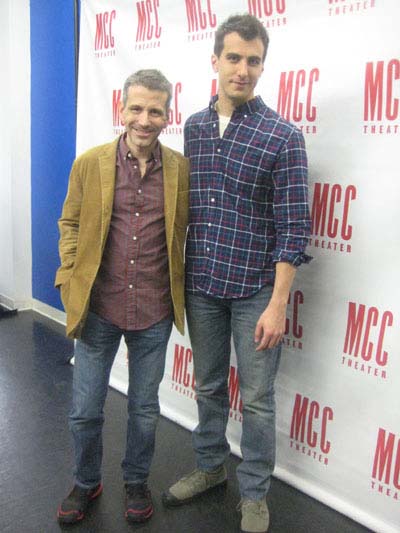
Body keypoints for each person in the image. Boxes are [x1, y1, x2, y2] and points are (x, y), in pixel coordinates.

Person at [162, 14, 311, 533]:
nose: (242, 69)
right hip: (202, 284)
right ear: (215, 61)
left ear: (263, 66)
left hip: (255, 292)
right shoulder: (195, 127)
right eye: (233, 57)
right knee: (206, 386)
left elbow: (295, 230)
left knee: (258, 401)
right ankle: (209, 469)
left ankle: (254, 494)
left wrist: (277, 303)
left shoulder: (284, 137)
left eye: (253, 60)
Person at [55, 69, 189, 525]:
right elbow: (69, 223)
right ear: (122, 109)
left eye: (155, 110)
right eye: (136, 108)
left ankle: (136, 479)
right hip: (99, 307)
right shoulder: (90, 163)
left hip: (154, 310)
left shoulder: (179, 170)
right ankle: (86, 481)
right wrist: (68, 276)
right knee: (85, 409)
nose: (144, 119)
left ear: (167, 116)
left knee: (145, 410)